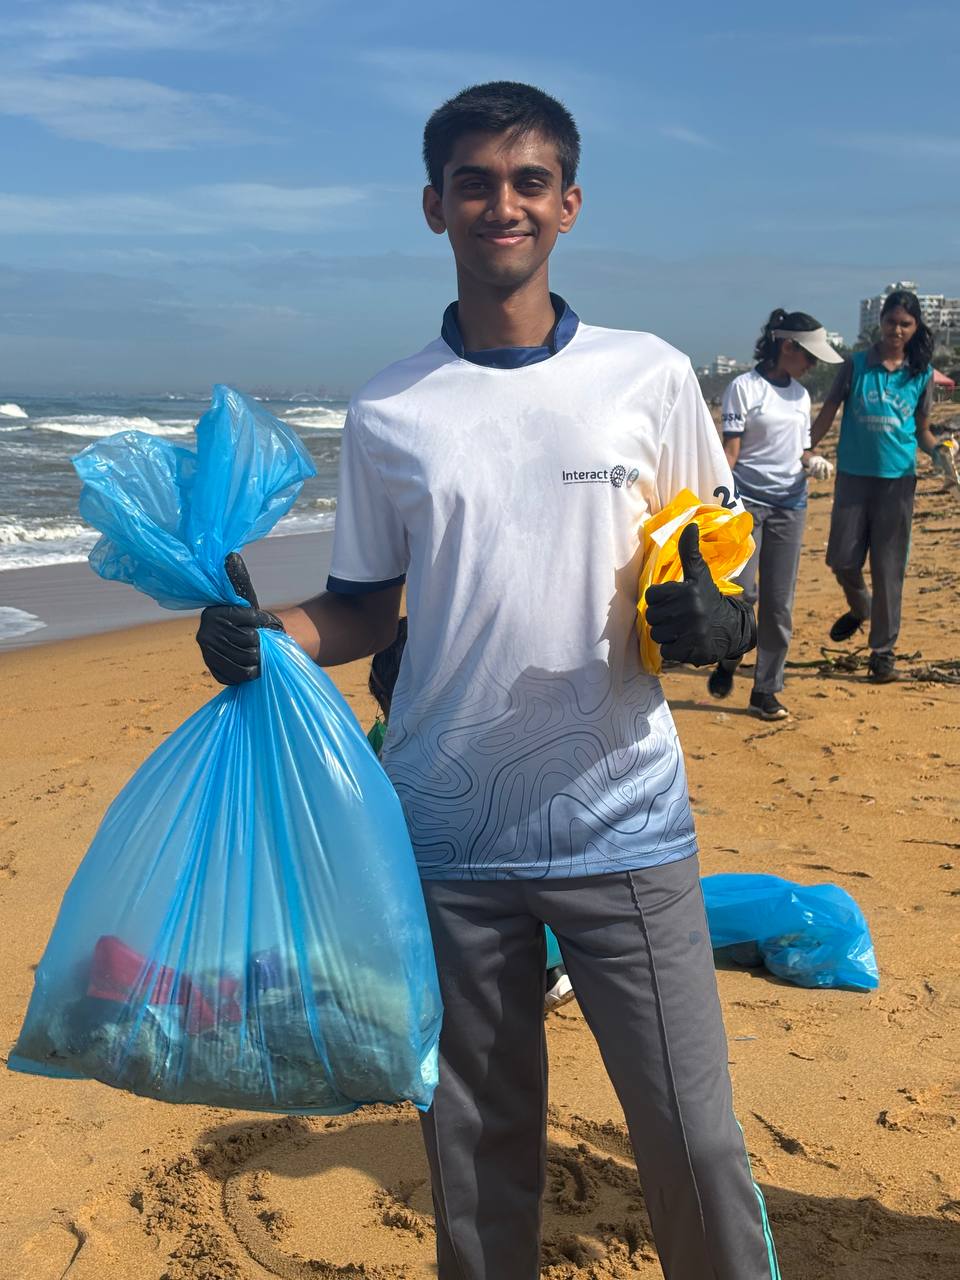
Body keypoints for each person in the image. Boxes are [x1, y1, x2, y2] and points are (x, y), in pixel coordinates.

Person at [196, 82, 778, 1280]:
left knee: (694, 1139)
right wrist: (271, 634)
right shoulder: (393, 407)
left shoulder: (649, 376)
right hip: (446, 836)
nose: (499, 204)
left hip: (624, 818)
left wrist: (721, 617)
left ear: (568, 204)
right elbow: (366, 603)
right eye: (473, 182)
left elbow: (718, 548)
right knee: (473, 1148)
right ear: (433, 206)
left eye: (526, 182)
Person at [368, 617, 576, 1013]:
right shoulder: (478, 754)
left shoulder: (374, 749)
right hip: (494, 912)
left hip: (414, 916)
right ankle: (549, 970)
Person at [707, 310, 842, 719]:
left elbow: (801, 449)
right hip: (747, 504)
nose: (813, 365)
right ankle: (731, 656)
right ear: (787, 346)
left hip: (790, 505)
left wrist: (813, 461)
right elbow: (729, 453)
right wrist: (720, 502)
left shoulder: (800, 395)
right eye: (810, 356)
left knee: (779, 605)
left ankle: (765, 689)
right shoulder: (743, 388)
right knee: (744, 594)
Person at [811, 288, 946, 682]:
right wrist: (803, 448)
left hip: (897, 483)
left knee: (889, 570)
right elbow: (828, 413)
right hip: (853, 478)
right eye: (891, 322)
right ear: (880, 322)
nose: (897, 330)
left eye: (905, 324)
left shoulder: (920, 373)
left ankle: (882, 651)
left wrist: (940, 454)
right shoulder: (855, 366)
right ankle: (861, 608)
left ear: (915, 327)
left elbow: (922, 431)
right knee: (841, 559)